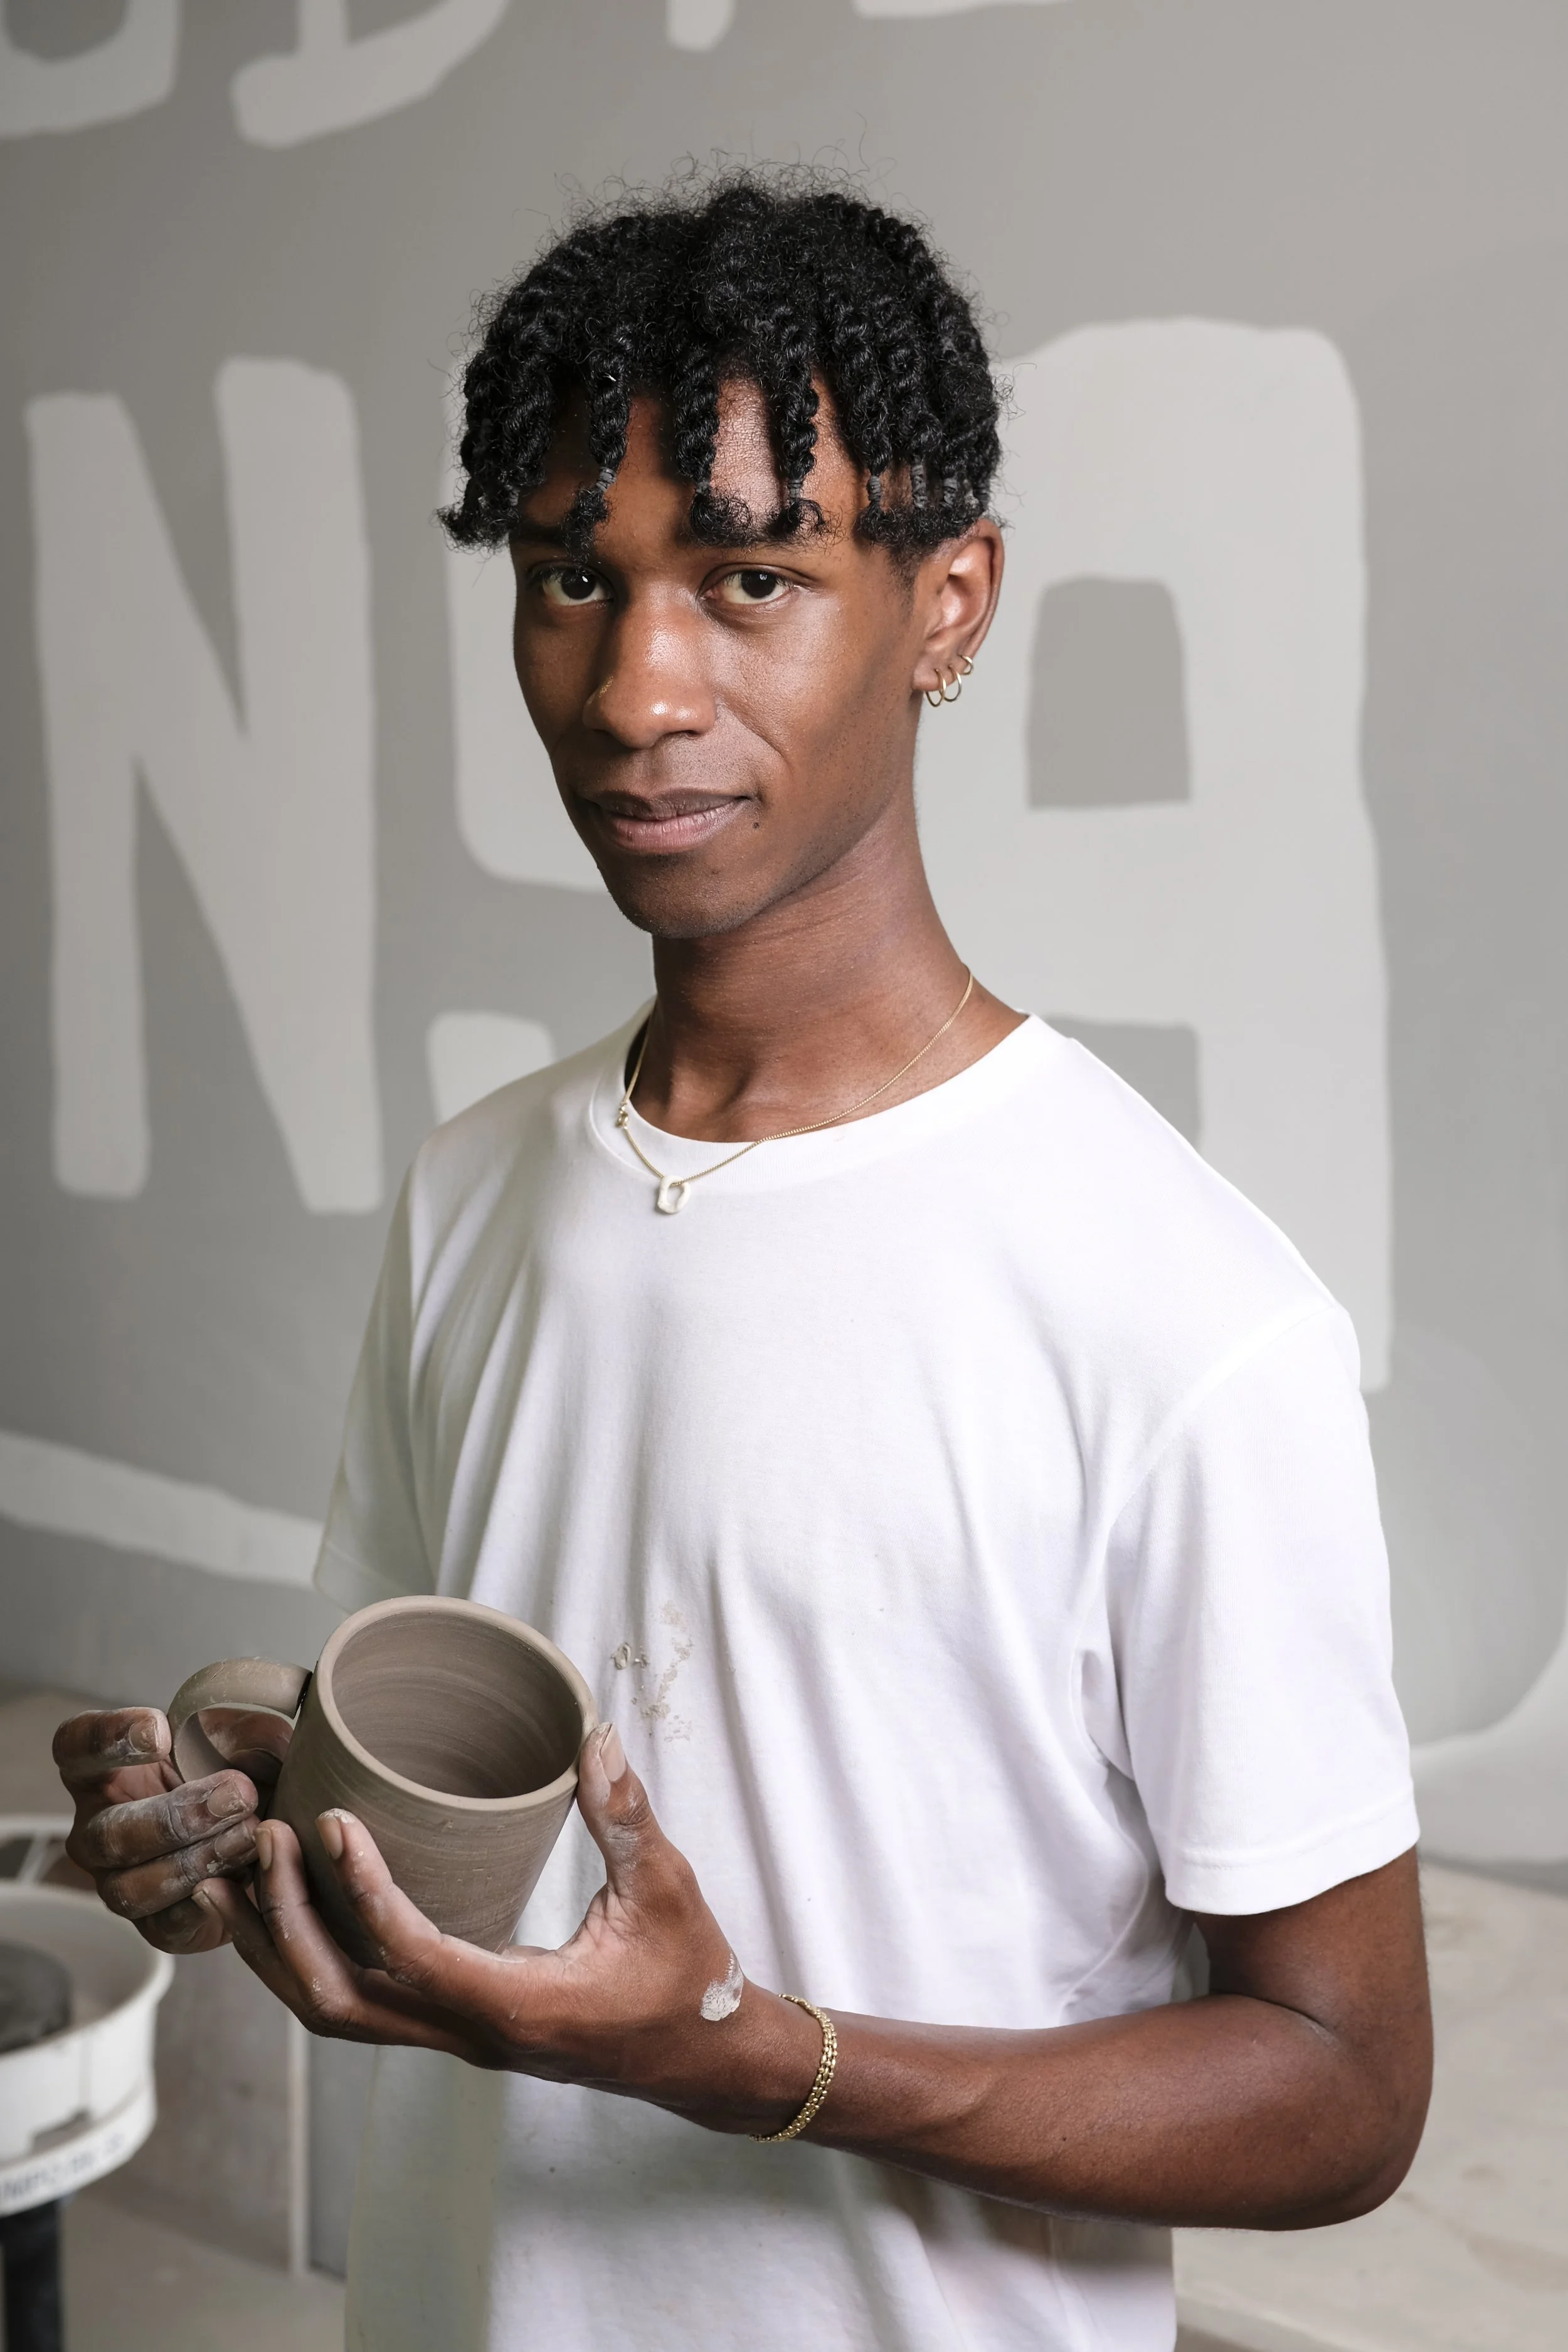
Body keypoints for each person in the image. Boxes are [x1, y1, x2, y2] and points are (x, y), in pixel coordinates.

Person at [53, 173, 1429, 2352]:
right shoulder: (474, 1190)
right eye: (568, 583)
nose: (632, 688)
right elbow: (444, 1823)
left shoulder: (1182, 1309)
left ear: (947, 603)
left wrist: (747, 2053)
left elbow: (1346, 2091)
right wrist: (244, 1823)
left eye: (748, 578)